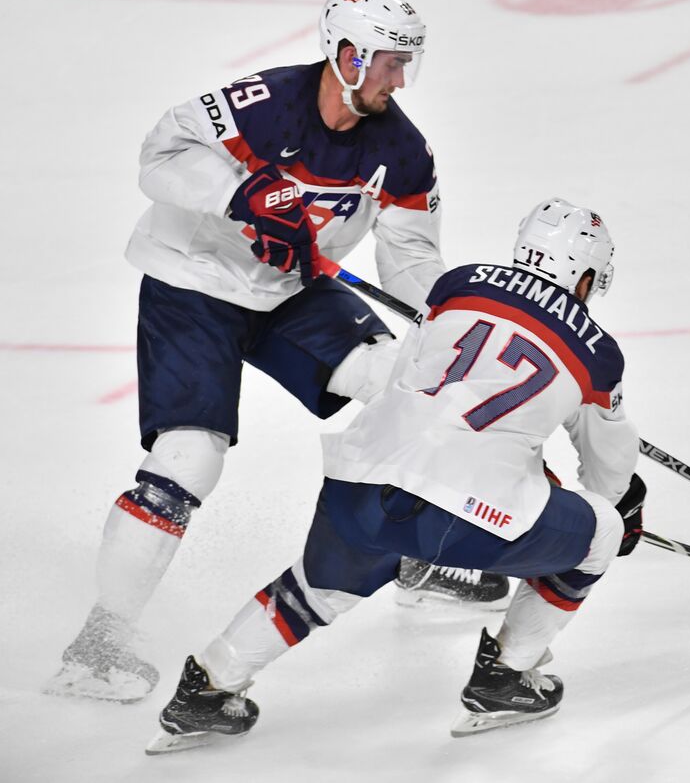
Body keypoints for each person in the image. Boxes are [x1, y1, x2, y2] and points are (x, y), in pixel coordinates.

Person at [48, 0, 505, 704]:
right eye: (390, 63)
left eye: (404, 64)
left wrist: (450, 326)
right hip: (195, 282)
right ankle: (98, 643)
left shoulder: (403, 151)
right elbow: (159, 155)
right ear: (348, 56)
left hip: (290, 289)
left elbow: (412, 258)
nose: (399, 80)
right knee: (188, 458)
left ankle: (417, 558)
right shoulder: (265, 104)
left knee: (406, 384)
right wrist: (243, 193)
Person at [145, 199, 643, 752]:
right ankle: (506, 677)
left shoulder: (457, 284)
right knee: (601, 529)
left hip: (363, 475)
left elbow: (409, 384)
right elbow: (609, 470)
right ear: (586, 275)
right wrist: (616, 505)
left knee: (316, 588)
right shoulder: (598, 351)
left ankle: (207, 689)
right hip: (466, 509)